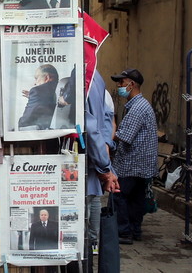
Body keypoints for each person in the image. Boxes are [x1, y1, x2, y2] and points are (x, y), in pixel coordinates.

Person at [110, 68, 158, 245]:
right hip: (141, 163)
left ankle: (124, 232)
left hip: (133, 163)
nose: (119, 86)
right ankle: (135, 230)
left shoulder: (138, 107)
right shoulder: (139, 105)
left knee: (119, 195)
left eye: (122, 82)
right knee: (136, 198)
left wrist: (109, 130)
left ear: (132, 84)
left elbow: (124, 135)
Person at [84, 70, 120, 254]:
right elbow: (107, 124)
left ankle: (90, 245)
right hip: (96, 158)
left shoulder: (87, 77)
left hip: (89, 159)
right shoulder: (97, 78)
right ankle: (92, 244)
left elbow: (93, 128)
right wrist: (105, 163)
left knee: (88, 208)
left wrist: (105, 168)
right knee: (92, 201)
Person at [17, 64, 58, 130]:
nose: (35, 83)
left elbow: (24, 122)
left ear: (47, 78)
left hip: (37, 132)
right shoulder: (59, 89)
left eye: (36, 78)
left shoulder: (36, 91)